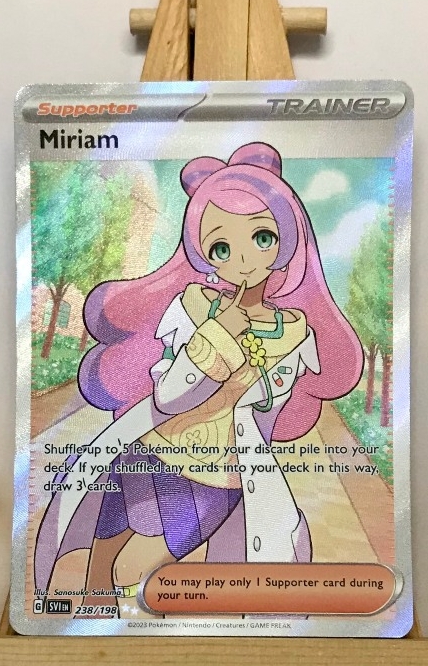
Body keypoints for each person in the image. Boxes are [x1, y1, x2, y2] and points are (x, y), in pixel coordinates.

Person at [34, 142, 363, 605]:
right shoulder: (192, 307)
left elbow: (264, 413)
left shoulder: (293, 333)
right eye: (222, 247)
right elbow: (168, 394)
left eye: (261, 238)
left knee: (133, 570)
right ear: (206, 255)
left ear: (286, 241)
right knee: (96, 565)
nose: (243, 260)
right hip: (149, 450)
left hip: (218, 476)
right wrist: (220, 332)